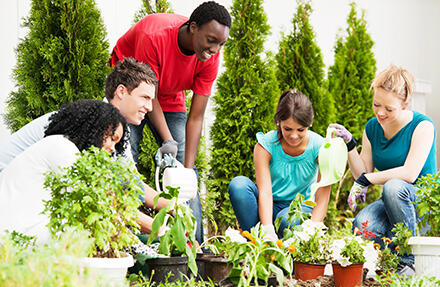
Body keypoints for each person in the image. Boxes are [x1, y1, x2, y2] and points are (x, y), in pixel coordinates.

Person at [0, 58, 168, 234]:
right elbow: (100, 199)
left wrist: (173, 207)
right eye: (145, 97)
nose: (150, 107)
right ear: (121, 92)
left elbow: (130, 183)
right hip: (10, 196)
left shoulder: (112, 131)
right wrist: (160, 229)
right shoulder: (87, 126)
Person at [110, 1, 232, 243]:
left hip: (169, 92)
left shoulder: (210, 57)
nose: (215, 49)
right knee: (125, 156)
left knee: (188, 172)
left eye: (221, 44)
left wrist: (185, 169)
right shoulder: (154, 36)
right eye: (211, 40)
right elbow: (148, 94)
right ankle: (127, 243)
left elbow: (196, 116)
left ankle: (194, 249)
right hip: (134, 87)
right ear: (193, 27)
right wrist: (167, 139)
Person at [330, 65, 437, 276]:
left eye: (389, 109)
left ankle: (408, 262)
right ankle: (389, 259)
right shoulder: (372, 127)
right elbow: (362, 171)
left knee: (394, 186)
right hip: (392, 202)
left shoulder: (423, 126)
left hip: (422, 203)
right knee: (363, 225)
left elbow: (409, 174)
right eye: (376, 104)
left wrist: (366, 180)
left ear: (405, 104)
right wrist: (350, 145)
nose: (380, 112)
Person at [0, 100, 128, 243]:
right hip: (11, 239)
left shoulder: (59, 144)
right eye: (112, 138)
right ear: (95, 129)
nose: (113, 149)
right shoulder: (62, 149)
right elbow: (95, 204)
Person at [228, 89, 331, 241]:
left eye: (300, 130)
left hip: (299, 209)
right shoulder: (266, 145)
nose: (294, 136)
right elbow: (265, 191)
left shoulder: (320, 147)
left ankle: (286, 249)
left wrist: (312, 231)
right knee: (238, 185)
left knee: (286, 219)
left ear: (310, 123)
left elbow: (322, 197)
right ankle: (257, 243)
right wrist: (268, 228)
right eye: (287, 129)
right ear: (279, 121)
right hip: (268, 205)